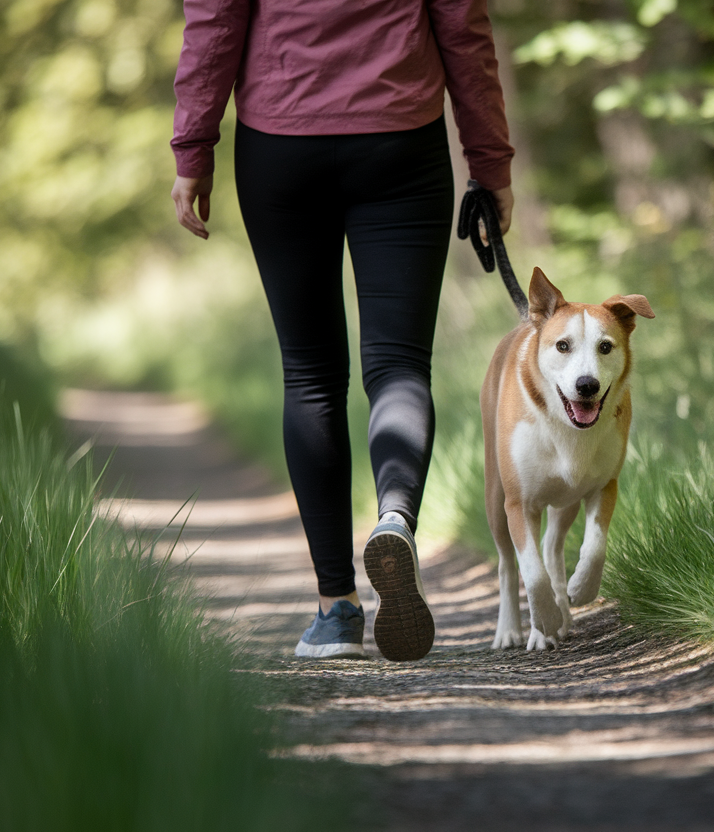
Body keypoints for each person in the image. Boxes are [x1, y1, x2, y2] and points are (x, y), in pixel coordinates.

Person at [169, 0, 514, 661]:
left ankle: (337, 609)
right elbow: (464, 26)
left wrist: (194, 146)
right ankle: (395, 519)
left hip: (280, 140)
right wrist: (489, 161)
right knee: (399, 363)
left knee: (310, 374)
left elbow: (214, 21)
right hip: (401, 139)